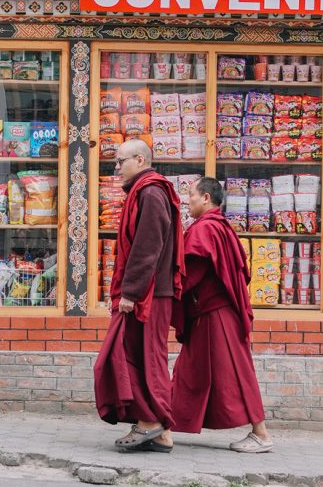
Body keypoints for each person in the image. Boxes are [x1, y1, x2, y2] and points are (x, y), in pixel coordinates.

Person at [93, 138, 185, 453]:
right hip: (148, 291)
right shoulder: (145, 192)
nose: (116, 168)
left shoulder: (151, 193)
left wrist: (130, 293)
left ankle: (151, 421)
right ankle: (160, 433)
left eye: (121, 161)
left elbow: (147, 248)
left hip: (149, 294)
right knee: (138, 354)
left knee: (144, 357)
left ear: (140, 160)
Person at [171, 176, 273, 453]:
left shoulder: (206, 229)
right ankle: (161, 424)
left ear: (206, 198)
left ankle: (261, 434)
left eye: (191, 195)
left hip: (216, 314)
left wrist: (163, 291)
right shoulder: (220, 227)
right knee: (189, 370)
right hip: (212, 312)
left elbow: (190, 274)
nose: (187, 201)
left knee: (237, 369)